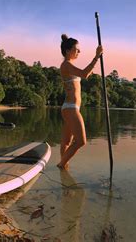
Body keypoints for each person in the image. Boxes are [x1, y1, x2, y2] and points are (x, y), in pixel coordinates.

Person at [58, 34, 103, 170]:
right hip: (70, 108)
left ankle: (64, 167)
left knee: (67, 141)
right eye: (76, 49)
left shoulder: (69, 65)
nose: (79, 52)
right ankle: (61, 165)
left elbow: (84, 74)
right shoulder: (66, 65)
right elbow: (84, 74)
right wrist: (96, 57)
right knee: (81, 141)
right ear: (68, 51)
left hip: (71, 108)